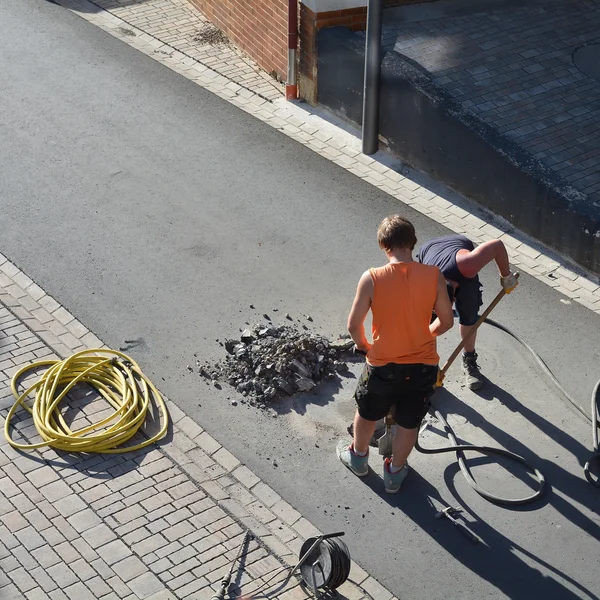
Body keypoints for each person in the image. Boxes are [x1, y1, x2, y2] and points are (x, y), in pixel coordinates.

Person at [337, 215, 454, 493]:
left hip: (383, 365)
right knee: (408, 420)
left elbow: (353, 325)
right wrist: (426, 334)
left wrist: (366, 347)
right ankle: (395, 472)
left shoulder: (372, 278)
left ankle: (359, 459)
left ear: (383, 245)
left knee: (366, 413)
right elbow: (447, 322)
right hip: (422, 366)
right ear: (412, 243)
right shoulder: (434, 276)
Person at [416, 234, 518, 390]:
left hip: (458, 253)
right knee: (427, 320)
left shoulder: (468, 265)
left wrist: (506, 277)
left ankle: (469, 359)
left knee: (469, 316)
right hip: (429, 249)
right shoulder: (421, 279)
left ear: (453, 300)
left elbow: (497, 245)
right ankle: (430, 366)